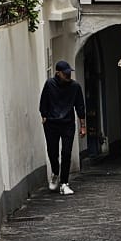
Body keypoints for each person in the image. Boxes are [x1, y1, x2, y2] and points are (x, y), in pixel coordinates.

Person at [39, 60, 86, 196]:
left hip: (68, 123)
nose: (68, 76)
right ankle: (55, 172)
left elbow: (80, 106)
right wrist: (44, 116)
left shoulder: (75, 87)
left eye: (69, 73)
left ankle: (64, 183)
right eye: (65, 73)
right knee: (53, 152)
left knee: (66, 153)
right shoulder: (49, 84)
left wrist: (83, 126)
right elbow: (43, 101)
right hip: (51, 123)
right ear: (58, 73)